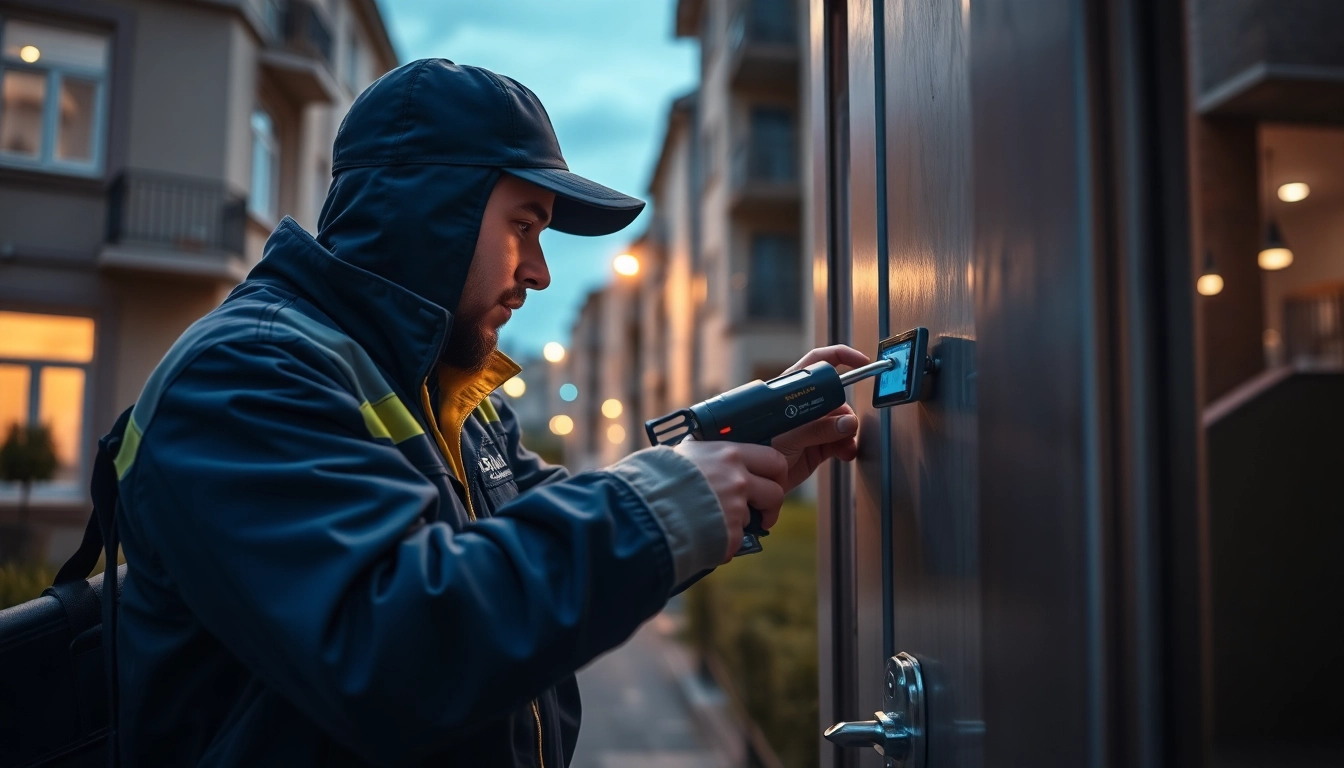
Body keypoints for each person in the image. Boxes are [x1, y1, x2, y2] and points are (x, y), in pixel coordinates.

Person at [113, 59, 867, 767]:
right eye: (524, 227)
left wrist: (740, 450)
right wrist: (669, 501)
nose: (538, 272)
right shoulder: (248, 374)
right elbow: (388, 648)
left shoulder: (446, 393)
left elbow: (539, 543)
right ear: (430, 213)